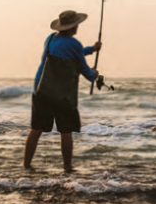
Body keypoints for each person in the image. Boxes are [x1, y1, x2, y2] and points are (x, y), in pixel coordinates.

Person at [24, 10, 103, 173]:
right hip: (62, 95)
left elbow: (69, 52)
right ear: (73, 27)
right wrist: (94, 74)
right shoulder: (74, 44)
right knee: (65, 130)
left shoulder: (50, 38)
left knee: (36, 128)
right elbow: (86, 71)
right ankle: (67, 167)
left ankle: (26, 164)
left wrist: (92, 49)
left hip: (41, 90)